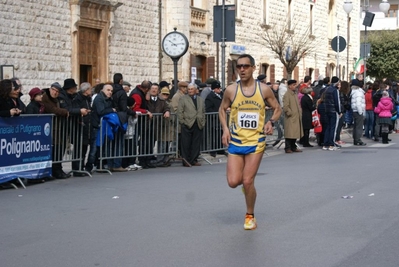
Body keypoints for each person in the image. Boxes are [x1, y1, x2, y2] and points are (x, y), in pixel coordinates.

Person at [219, 54, 281, 230]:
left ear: (254, 68)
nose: (242, 69)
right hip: (237, 141)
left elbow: (277, 108)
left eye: (246, 66)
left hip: (256, 141)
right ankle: (247, 188)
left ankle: (250, 216)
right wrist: (225, 129)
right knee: (233, 182)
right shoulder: (231, 90)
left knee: (247, 180)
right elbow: (222, 109)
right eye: (239, 66)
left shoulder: (263, 90)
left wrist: (271, 122)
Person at [85, 83, 117, 173]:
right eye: (108, 90)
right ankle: (89, 166)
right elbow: (101, 111)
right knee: (94, 148)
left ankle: (100, 165)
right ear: (103, 90)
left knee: (102, 147)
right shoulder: (99, 98)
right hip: (97, 126)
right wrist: (111, 110)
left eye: (111, 91)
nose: (110, 92)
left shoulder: (109, 99)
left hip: (103, 126)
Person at [42, 82, 70, 179]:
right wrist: (65, 112)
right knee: (55, 149)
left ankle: (58, 168)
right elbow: (52, 109)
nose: (55, 92)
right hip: (51, 128)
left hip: (59, 127)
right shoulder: (45, 97)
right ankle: (54, 170)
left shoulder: (58, 99)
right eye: (54, 90)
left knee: (60, 149)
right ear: (50, 89)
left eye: (57, 91)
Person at [177, 83, 205, 166]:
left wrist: (203, 121)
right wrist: (182, 122)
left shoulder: (200, 99)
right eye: (188, 89)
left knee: (196, 143)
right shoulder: (183, 99)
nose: (190, 91)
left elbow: (203, 111)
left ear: (196, 90)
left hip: (198, 123)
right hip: (187, 123)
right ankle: (186, 160)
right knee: (186, 143)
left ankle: (193, 159)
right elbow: (179, 111)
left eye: (191, 89)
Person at [71, 82, 92, 176]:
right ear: (86, 90)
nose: (91, 91)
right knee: (78, 148)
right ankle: (76, 168)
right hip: (80, 125)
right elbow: (76, 110)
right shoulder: (78, 98)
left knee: (84, 148)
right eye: (90, 89)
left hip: (87, 125)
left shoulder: (88, 99)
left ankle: (81, 166)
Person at [283, 80, 304, 153]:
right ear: (290, 86)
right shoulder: (287, 95)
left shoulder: (295, 94)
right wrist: (290, 113)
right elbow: (286, 106)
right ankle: (287, 147)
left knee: (294, 133)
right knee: (289, 133)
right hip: (291, 117)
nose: (295, 86)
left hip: (296, 116)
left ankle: (293, 146)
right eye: (294, 85)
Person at [205, 80, 224, 157]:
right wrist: (217, 113)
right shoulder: (210, 97)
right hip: (214, 119)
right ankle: (213, 150)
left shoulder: (221, 95)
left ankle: (220, 148)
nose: (219, 90)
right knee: (214, 135)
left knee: (220, 133)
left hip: (220, 118)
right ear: (214, 89)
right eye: (218, 88)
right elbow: (208, 108)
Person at [322, 76, 341, 151]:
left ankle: (325, 143)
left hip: (327, 110)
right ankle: (331, 144)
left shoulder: (326, 89)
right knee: (333, 127)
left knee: (328, 127)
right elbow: (337, 102)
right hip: (333, 111)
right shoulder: (335, 90)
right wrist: (339, 111)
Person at [350, 79, 366, 146]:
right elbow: (358, 103)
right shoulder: (359, 92)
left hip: (354, 110)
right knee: (359, 126)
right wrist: (360, 111)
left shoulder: (353, 92)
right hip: (358, 110)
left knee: (356, 126)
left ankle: (355, 139)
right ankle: (358, 139)